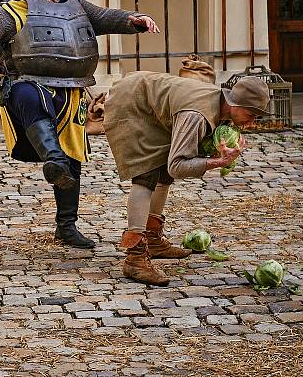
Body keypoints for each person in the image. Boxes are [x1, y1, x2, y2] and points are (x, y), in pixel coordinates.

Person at [0, 0, 160, 248]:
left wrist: (132, 20)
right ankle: (53, 158)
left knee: (73, 156)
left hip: (71, 91)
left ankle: (66, 225)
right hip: (25, 83)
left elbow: (104, 17)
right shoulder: (11, 12)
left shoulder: (74, 5)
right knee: (31, 97)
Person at [104, 71, 270, 286]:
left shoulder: (219, 106)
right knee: (145, 176)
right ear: (235, 105)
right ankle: (135, 259)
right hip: (132, 104)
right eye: (250, 116)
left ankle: (153, 240)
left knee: (162, 173)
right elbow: (178, 166)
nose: (252, 123)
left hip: (149, 104)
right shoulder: (197, 115)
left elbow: (171, 168)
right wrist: (218, 162)